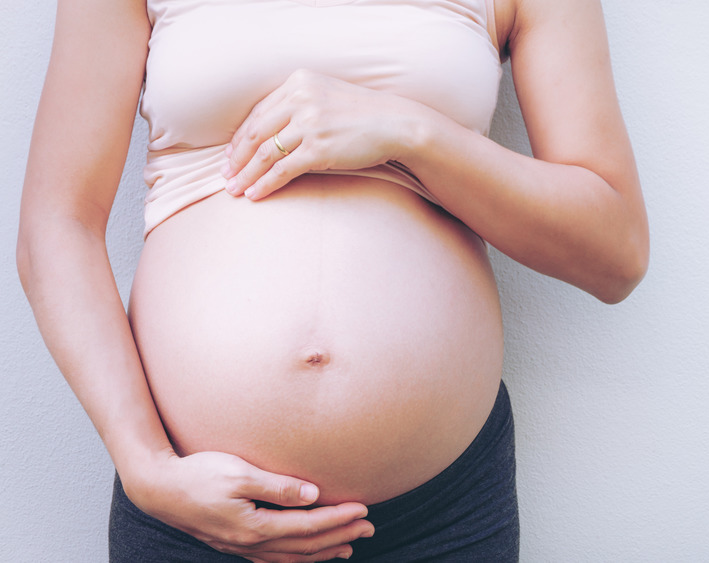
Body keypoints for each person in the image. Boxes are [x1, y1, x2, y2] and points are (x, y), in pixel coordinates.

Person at [17, 0, 648, 560]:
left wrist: (409, 133)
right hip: (192, 507)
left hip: (440, 515)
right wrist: (145, 466)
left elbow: (614, 250)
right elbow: (58, 222)